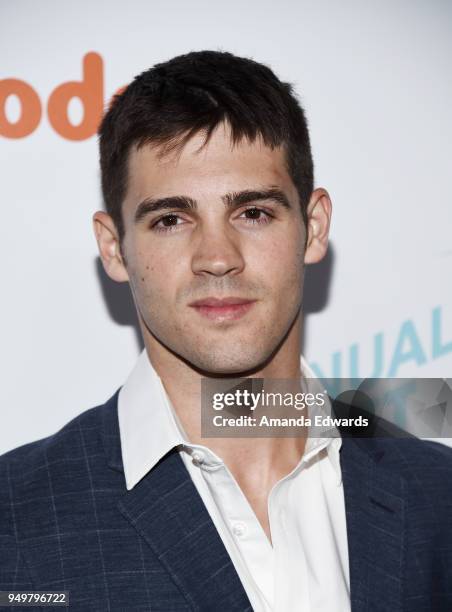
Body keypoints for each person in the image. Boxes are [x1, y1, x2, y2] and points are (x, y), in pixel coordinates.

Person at [1, 50, 451, 612]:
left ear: (312, 229)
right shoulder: (13, 521)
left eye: (253, 213)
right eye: (170, 220)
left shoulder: (438, 498)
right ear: (114, 248)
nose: (217, 258)